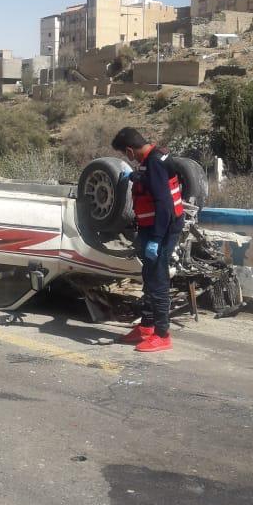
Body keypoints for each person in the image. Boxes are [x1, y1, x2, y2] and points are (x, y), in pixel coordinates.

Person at [111, 127, 184, 352]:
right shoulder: (154, 157)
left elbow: (164, 206)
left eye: (125, 154)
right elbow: (151, 181)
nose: (127, 158)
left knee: (157, 280)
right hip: (152, 227)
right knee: (148, 277)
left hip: (161, 229)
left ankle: (162, 334)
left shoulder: (154, 163)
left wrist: (156, 239)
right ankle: (146, 327)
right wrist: (134, 176)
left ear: (130, 151)